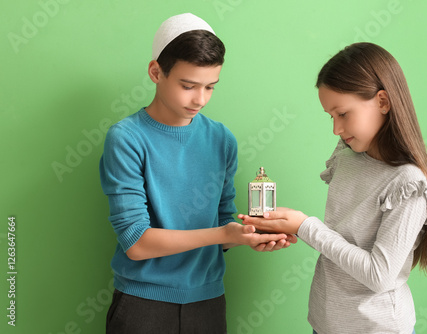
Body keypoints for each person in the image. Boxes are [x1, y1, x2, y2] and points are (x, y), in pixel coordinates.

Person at [99, 13, 295, 334]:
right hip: (142, 306)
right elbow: (136, 242)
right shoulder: (127, 138)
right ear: (156, 72)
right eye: (188, 86)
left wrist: (246, 237)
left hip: (208, 303)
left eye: (210, 87)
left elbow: (221, 222)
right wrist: (223, 235)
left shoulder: (221, 140)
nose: (200, 99)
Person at [239, 42, 427, 334]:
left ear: (383, 102)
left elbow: (379, 276)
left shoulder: (407, 183)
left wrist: (305, 226)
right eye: (331, 117)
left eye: (343, 114)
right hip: (326, 324)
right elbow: (342, 237)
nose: (336, 129)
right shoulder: (347, 156)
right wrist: (288, 226)